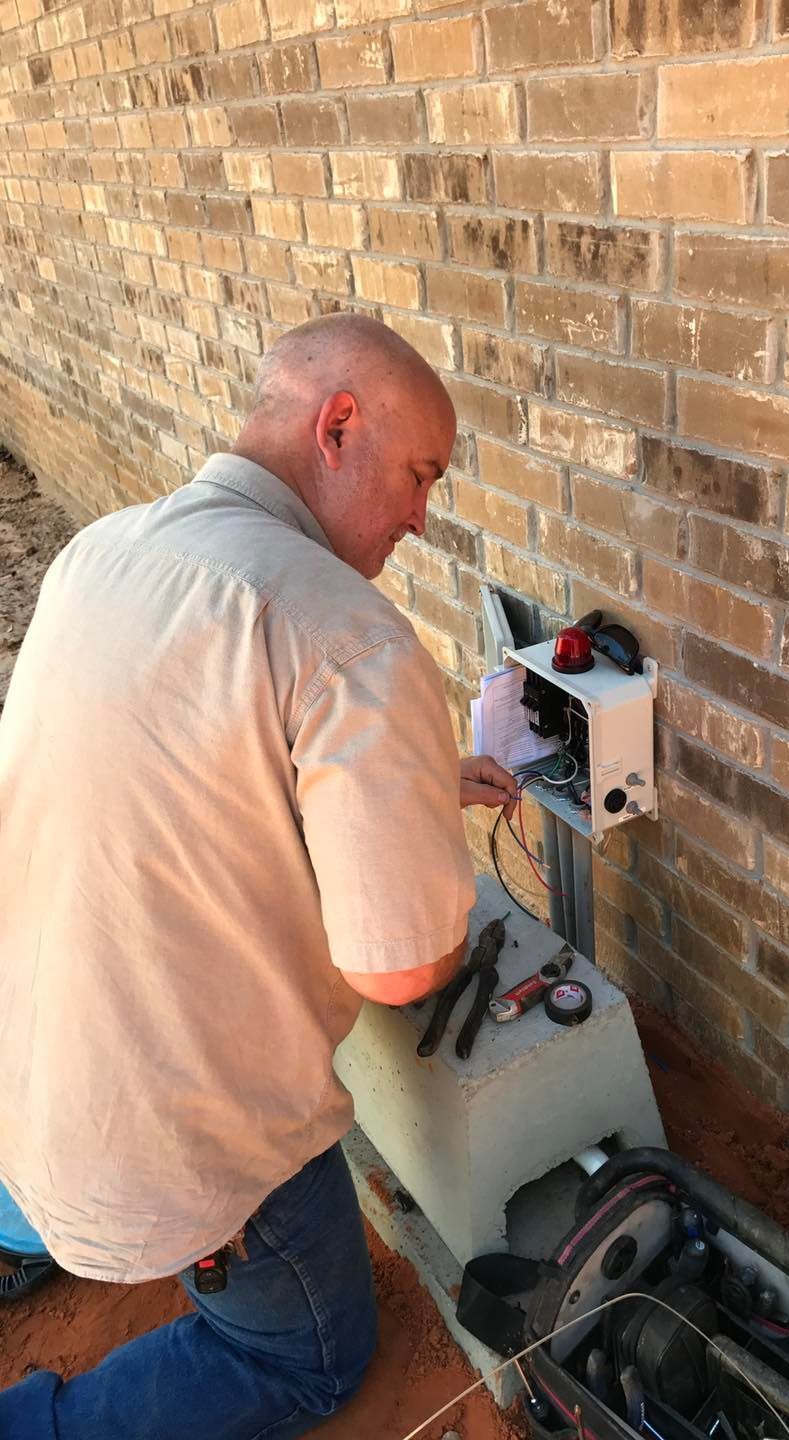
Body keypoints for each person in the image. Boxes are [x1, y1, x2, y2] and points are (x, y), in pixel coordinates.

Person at [0, 314, 517, 1439]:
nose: (422, 519)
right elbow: (407, 968)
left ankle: (14, 1236)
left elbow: (186, 781)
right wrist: (413, 822)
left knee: (44, 1152)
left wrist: (407, 783)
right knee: (309, 1357)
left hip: (27, 1061)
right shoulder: (352, 637)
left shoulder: (107, 550)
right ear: (338, 426)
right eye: (421, 475)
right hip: (173, 1138)